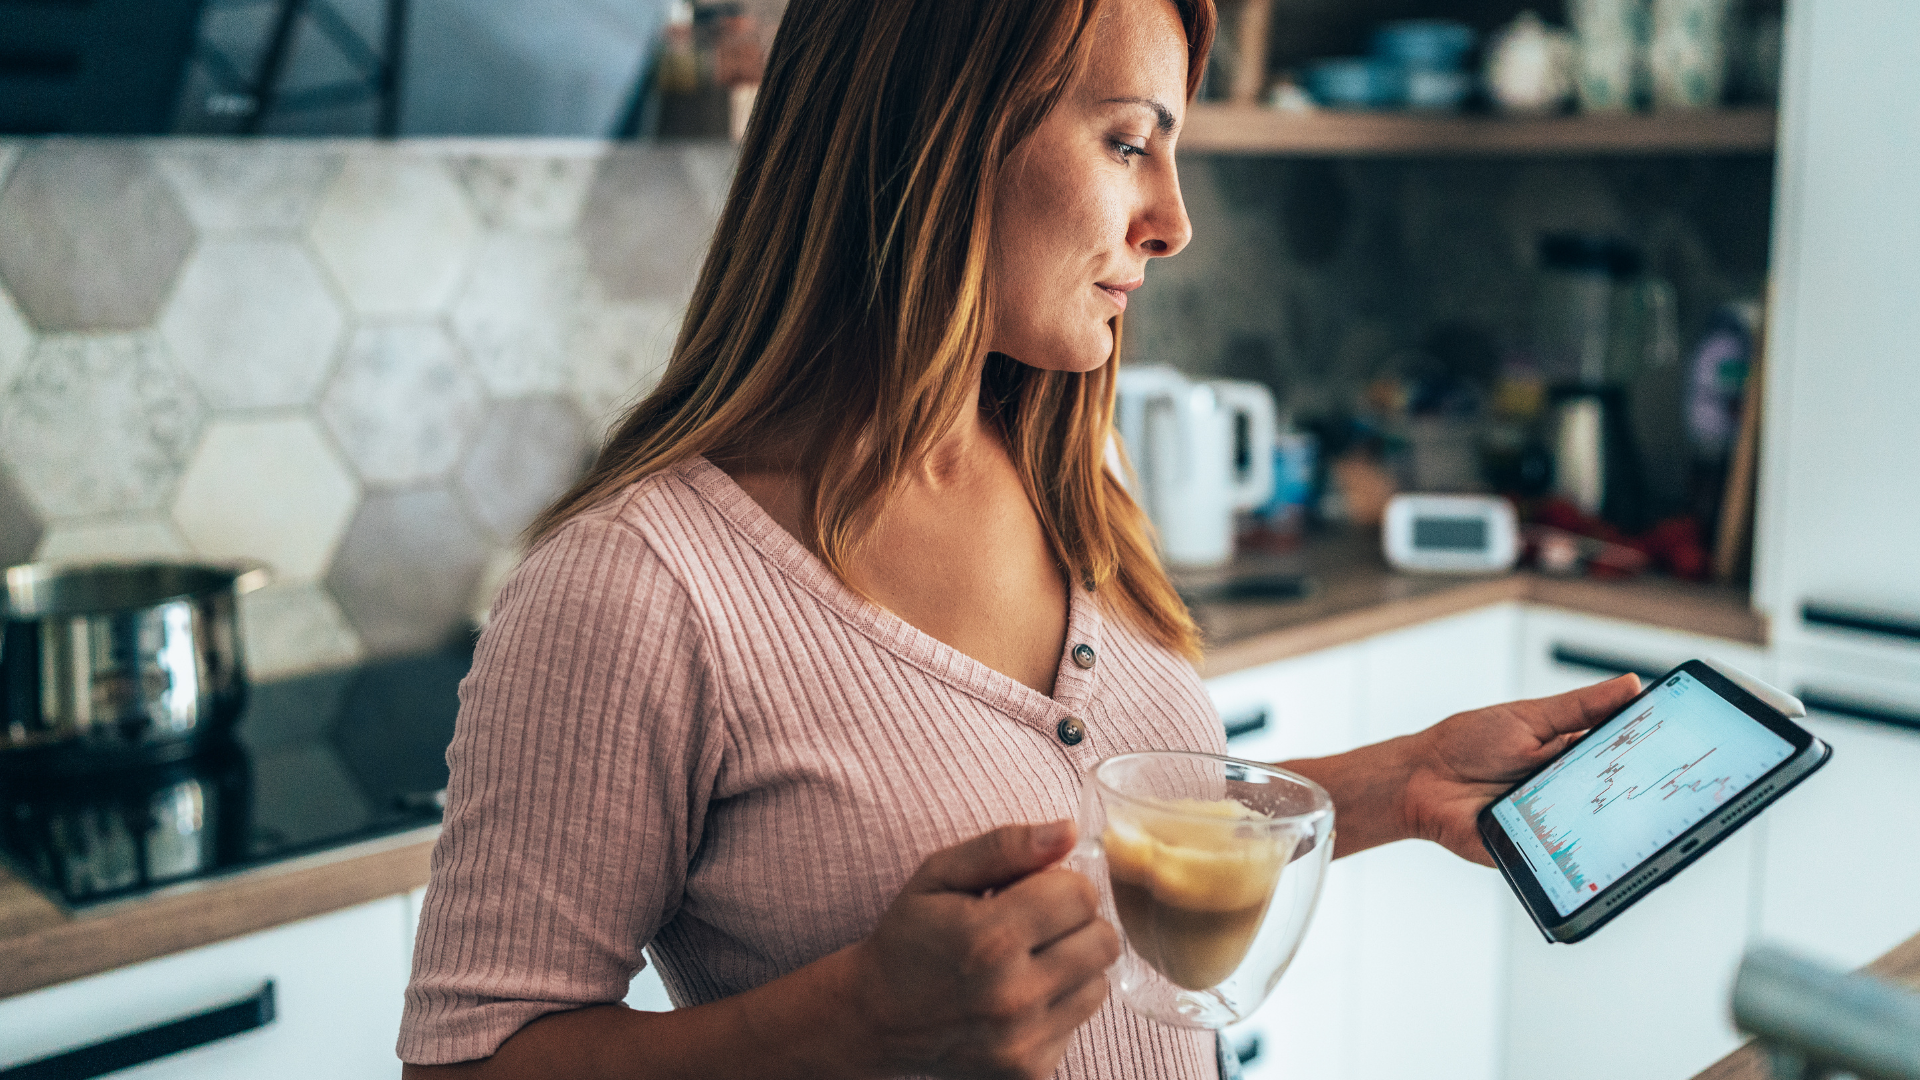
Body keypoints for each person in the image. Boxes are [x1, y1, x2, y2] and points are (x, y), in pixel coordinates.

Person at [398, 0, 1640, 1076]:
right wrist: (860, 1025)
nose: (1172, 220)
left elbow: (1100, 849)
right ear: (932, 130)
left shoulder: (1069, 472)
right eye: (1128, 142)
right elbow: (471, 1068)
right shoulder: (637, 587)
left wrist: (1393, 787)